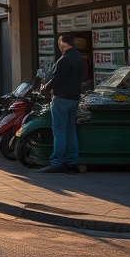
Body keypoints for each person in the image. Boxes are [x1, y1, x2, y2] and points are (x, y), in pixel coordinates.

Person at [38, 33, 84, 174]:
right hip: (74, 99)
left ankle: (56, 162)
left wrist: (45, 88)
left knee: (58, 131)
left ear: (64, 43)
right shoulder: (79, 58)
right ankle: (72, 161)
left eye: (59, 43)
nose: (58, 46)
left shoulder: (64, 60)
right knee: (70, 130)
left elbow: (56, 79)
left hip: (62, 98)